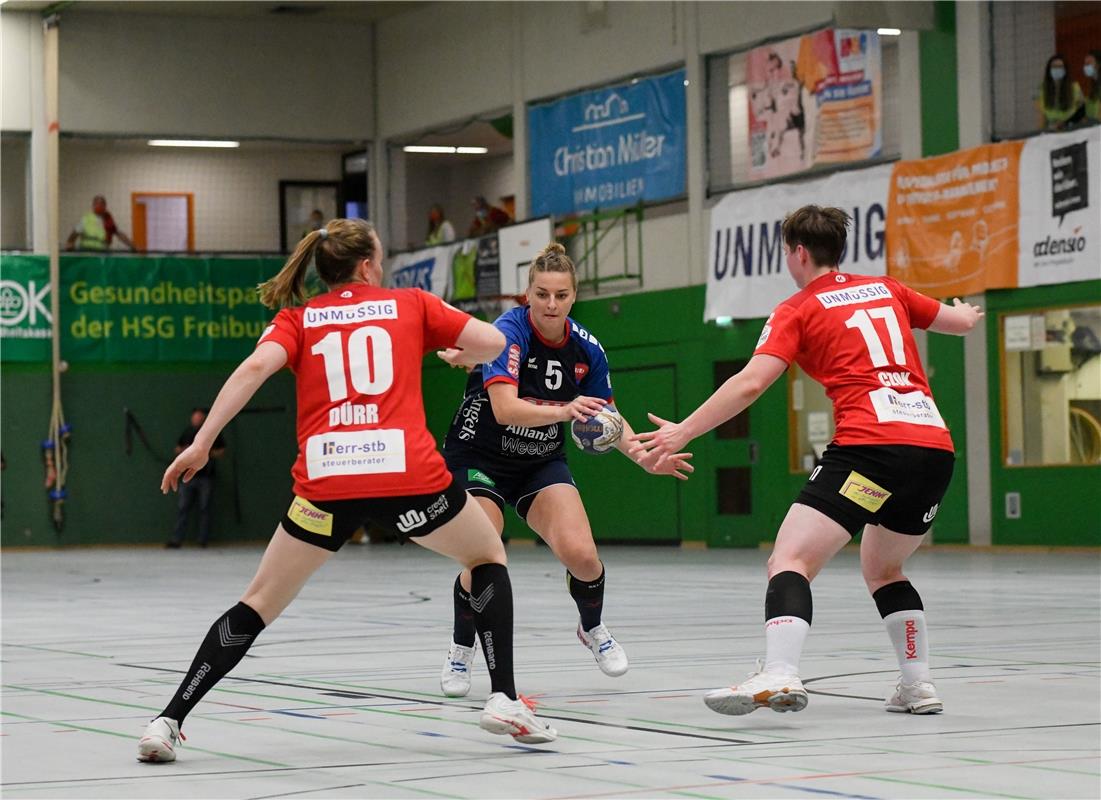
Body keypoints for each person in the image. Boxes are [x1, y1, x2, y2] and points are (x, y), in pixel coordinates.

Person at [136, 218, 556, 763]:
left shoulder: (299, 319)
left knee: (258, 601)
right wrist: (457, 351)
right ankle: (502, 698)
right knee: (485, 554)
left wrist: (201, 443)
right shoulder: (411, 304)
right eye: (379, 257)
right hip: (408, 479)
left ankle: (167, 721)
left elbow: (253, 368)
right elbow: (495, 340)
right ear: (366, 266)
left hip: (327, 486)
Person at [631, 206, 983, 718]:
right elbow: (956, 323)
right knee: (885, 568)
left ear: (798, 252)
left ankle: (780, 672)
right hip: (931, 451)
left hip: (869, 450)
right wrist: (968, 314)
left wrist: (685, 429)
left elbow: (751, 382)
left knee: (789, 560)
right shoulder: (889, 289)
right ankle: (918, 685)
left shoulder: (798, 308)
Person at [435, 242, 692, 698]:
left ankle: (591, 628)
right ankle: (461, 646)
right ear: (527, 295)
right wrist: (566, 408)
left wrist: (642, 457)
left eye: (561, 295)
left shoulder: (587, 348)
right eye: (541, 294)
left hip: (538, 461)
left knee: (582, 555)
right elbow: (506, 408)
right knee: (484, 550)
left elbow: (608, 416)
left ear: (573, 297)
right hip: (479, 457)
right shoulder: (506, 333)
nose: (551, 304)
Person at [165, 407, 226, 549]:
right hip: (188, 478)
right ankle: (176, 539)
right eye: (195, 417)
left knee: (205, 508)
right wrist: (186, 452)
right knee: (183, 507)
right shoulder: (186, 433)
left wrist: (205, 452)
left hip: (206, 478)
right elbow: (177, 449)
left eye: (200, 417)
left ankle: (202, 540)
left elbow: (222, 451)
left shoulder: (212, 433)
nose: (197, 419)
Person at [65, 195, 134, 251]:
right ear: (93, 205)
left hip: (103, 252)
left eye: (102, 204)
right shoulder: (86, 218)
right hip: (86, 252)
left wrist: (133, 246)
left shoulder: (109, 219)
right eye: (97, 204)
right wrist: (70, 243)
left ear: (105, 206)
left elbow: (119, 234)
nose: (99, 206)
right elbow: (75, 233)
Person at [1036, 54, 1084, 131]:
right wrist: (1040, 131)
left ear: (1065, 69)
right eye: (1054, 67)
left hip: (1070, 128)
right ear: (1049, 69)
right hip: (1050, 129)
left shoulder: (1075, 87)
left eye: (1060, 66)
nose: (1057, 69)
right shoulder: (1041, 88)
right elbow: (1041, 114)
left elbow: (1080, 111)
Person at [1082, 50, 1101, 124]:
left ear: (1099, 64)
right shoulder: (1094, 86)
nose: (1085, 66)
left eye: (1089, 63)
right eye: (1085, 64)